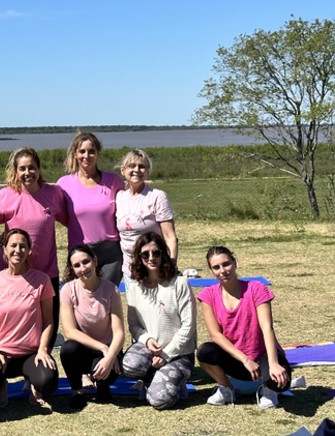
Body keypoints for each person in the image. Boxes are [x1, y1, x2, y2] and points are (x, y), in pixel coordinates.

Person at [0, 147, 68, 349]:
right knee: (14, 333)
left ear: (39, 169)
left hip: (46, 274)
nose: (27, 173)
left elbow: (73, 224)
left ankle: (42, 373)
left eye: (32, 167)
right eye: (22, 168)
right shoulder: (6, 195)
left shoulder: (54, 193)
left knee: (48, 330)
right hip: (12, 275)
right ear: (15, 171)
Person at [197, 246, 291, 409]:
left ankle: (269, 389)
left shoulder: (256, 288)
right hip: (238, 361)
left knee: (280, 383)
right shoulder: (208, 295)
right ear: (211, 270)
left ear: (235, 263)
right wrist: (245, 359)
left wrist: (274, 363)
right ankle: (227, 388)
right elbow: (215, 335)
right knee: (205, 352)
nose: (222, 270)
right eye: (216, 267)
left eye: (226, 264)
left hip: (263, 357)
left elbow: (266, 327)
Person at [0, 229, 58, 408]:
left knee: (48, 382)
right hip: (3, 355)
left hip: (32, 354)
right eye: (13, 245)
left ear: (29, 250)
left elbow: (49, 320)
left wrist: (43, 349)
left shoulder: (42, 280)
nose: (17, 250)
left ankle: (35, 385)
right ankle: (2, 385)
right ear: (4, 249)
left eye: (22, 246)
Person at [120, 233, 197, 410]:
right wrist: (146, 339)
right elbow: (134, 325)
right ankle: (152, 378)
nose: (151, 258)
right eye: (145, 254)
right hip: (150, 349)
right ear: (139, 258)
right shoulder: (135, 287)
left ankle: (176, 385)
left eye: (156, 253)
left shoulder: (180, 283)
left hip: (179, 354)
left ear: (164, 254)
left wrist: (166, 355)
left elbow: (189, 327)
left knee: (158, 401)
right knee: (129, 366)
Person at [59, 245, 124, 409]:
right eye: (77, 265)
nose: (83, 268)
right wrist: (103, 347)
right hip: (85, 350)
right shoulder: (68, 290)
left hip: (107, 351)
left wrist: (110, 356)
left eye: (86, 262)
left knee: (107, 375)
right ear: (72, 269)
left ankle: (103, 384)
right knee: (67, 349)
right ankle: (77, 393)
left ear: (95, 261)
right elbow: (70, 331)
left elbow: (119, 332)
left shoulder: (111, 290)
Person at [57, 132, 124, 286]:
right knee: (83, 301)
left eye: (91, 151)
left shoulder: (114, 181)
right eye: (82, 151)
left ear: (98, 153)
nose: (87, 155)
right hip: (80, 252)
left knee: (106, 300)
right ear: (75, 154)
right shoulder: (64, 184)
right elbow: (61, 215)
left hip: (111, 253)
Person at [115, 149, 178, 292]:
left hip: (154, 266)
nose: (136, 170)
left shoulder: (157, 197)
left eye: (141, 166)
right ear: (123, 170)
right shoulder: (119, 197)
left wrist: (171, 265)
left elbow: (170, 236)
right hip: (130, 269)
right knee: (136, 312)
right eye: (131, 166)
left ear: (147, 171)